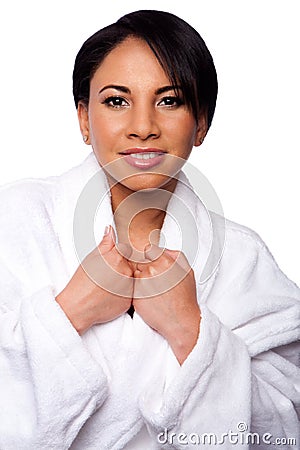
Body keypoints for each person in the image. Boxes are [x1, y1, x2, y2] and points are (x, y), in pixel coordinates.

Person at [0, 9, 299, 450]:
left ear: (201, 123)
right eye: (117, 101)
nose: (143, 127)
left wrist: (191, 333)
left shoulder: (242, 258)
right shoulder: (16, 222)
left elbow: (286, 429)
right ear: (84, 119)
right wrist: (68, 314)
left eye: (170, 100)